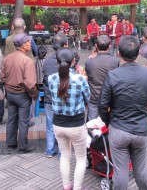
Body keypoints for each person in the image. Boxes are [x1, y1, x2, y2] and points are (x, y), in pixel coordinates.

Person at [99, 35, 147, 190]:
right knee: (141, 170)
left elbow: (103, 105)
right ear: (138, 53)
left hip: (118, 129)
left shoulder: (112, 75)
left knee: (120, 172)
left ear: (119, 53)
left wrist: (109, 122)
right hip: (140, 129)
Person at [49, 48, 90, 190]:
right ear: (74, 61)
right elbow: (88, 98)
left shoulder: (51, 78)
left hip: (58, 124)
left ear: (57, 61)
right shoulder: (80, 79)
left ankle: (66, 186)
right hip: (76, 124)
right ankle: (77, 187)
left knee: (65, 156)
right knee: (80, 158)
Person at [2, 33, 37, 153]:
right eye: (28, 42)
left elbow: (2, 76)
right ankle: (22, 146)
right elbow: (30, 83)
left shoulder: (7, 58)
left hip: (10, 93)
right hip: (22, 94)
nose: (30, 44)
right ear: (23, 45)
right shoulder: (27, 61)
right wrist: (33, 94)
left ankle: (11, 143)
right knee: (23, 121)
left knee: (11, 119)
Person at [42, 33, 68, 158]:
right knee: (63, 125)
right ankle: (62, 153)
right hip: (64, 98)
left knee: (50, 125)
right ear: (65, 45)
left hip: (49, 98)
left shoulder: (47, 62)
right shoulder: (68, 61)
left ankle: (50, 150)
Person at [84, 35, 119, 121]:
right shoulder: (115, 61)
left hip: (94, 97)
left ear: (96, 45)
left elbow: (86, 76)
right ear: (109, 46)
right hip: (110, 97)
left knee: (92, 125)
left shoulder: (89, 62)